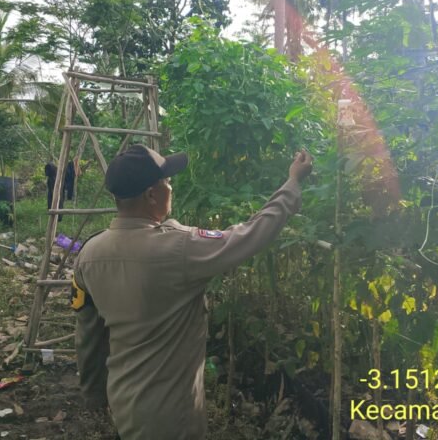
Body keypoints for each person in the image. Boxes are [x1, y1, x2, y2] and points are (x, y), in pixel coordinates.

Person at [72, 144, 313, 440]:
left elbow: (88, 334)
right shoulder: (178, 248)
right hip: (172, 416)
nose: (171, 187)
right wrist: (292, 184)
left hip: (124, 403)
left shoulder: (89, 254)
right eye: (166, 181)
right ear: (151, 194)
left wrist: (95, 395)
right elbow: (251, 235)